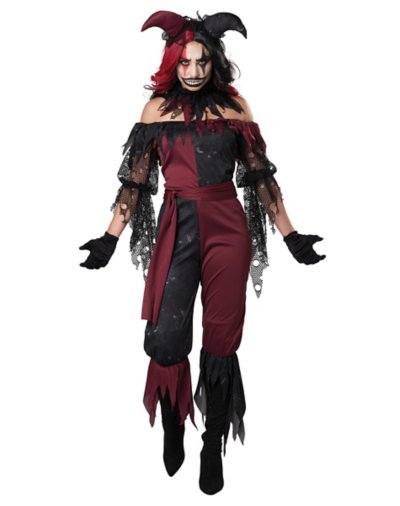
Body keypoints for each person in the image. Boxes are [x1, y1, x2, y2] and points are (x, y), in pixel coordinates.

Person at [79, 10, 326, 495]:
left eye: (202, 62)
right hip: (177, 227)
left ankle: (213, 443)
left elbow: (260, 179)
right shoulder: (155, 111)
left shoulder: (236, 109)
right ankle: (174, 424)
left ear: (215, 62)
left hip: (227, 229)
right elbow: (136, 183)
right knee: (168, 336)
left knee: (221, 338)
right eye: (185, 62)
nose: (193, 71)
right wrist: (109, 237)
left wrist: (291, 235)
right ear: (173, 63)